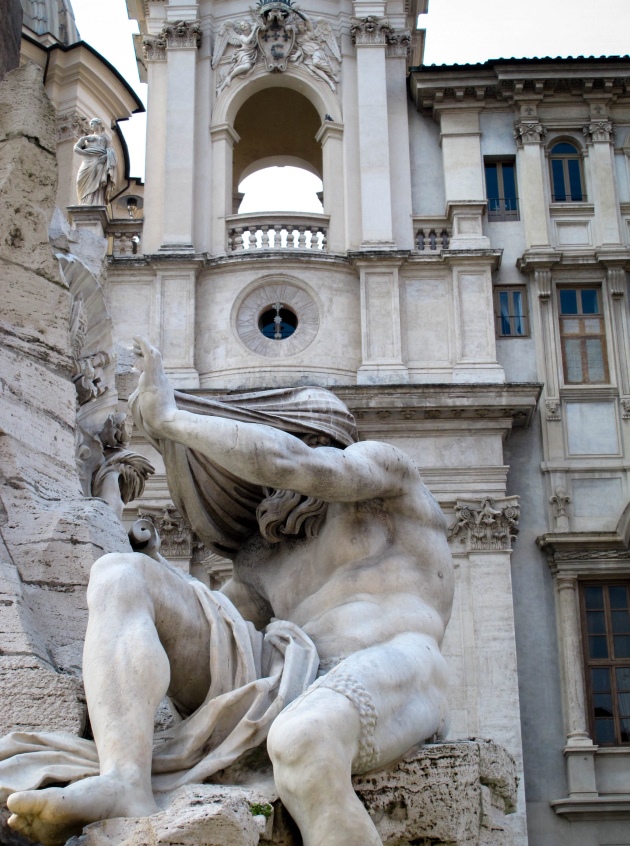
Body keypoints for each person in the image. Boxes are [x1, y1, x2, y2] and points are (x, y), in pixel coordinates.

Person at [5, 337, 454, 846]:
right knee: (120, 575)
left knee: (304, 740)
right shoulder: (261, 556)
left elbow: (291, 462)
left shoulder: (384, 475)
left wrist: (171, 421)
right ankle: (124, 780)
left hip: (398, 662)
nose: (257, 481)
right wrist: (152, 562)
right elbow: (213, 624)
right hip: (287, 669)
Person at [73, 118, 117, 206]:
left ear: (98, 124)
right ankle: (83, 201)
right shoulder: (87, 138)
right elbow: (76, 148)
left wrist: (105, 157)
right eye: (90, 124)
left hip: (98, 162)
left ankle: (94, 202)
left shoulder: (105, 138)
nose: (91, 126)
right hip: (87, 161)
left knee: (97, 182)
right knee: (80, 180)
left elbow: (111, 152)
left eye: (92, 124)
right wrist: (84, 152)